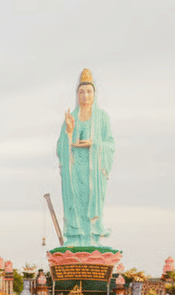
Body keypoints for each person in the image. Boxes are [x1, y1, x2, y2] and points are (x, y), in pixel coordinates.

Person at [57, 68, 115, 247]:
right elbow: (60, 147)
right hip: (75, 171)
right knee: (75, 200)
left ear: (94, 94)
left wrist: (95, 144)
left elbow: (110, 145)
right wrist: (68, 132)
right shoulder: (71, 117)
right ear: (77, 95)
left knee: (91, 201)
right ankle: (75, 236)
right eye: (81, 92)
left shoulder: (102, 118)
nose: (85, 95)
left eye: (89, 91)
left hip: (93, 171)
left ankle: (92, 236)